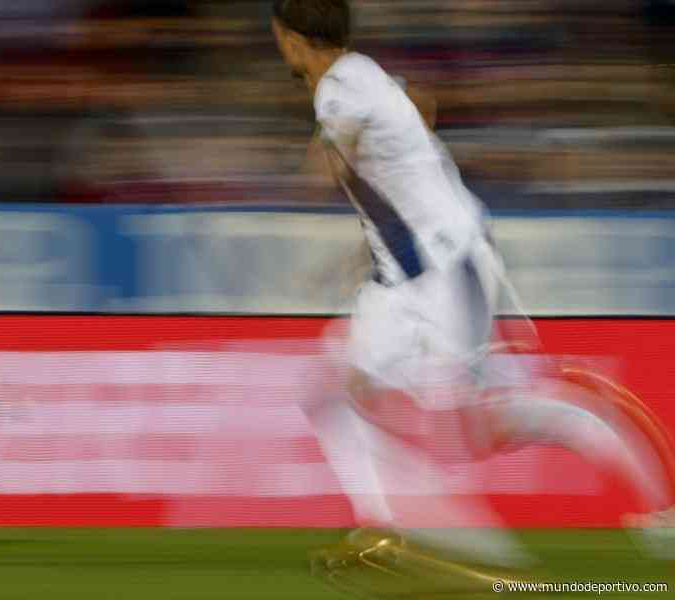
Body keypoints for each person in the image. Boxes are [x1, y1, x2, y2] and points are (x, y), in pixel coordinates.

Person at [268, 0, 675, 586]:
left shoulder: (337, 88)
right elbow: (416, 114)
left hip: (447, 266)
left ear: (290, 37)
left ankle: (586, 416)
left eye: (278, 36)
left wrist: (330, 159)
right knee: (327, 389)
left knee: (471, 433)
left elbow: (342, 155)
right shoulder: (365, 76)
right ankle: (382, 527)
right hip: (400, 277)